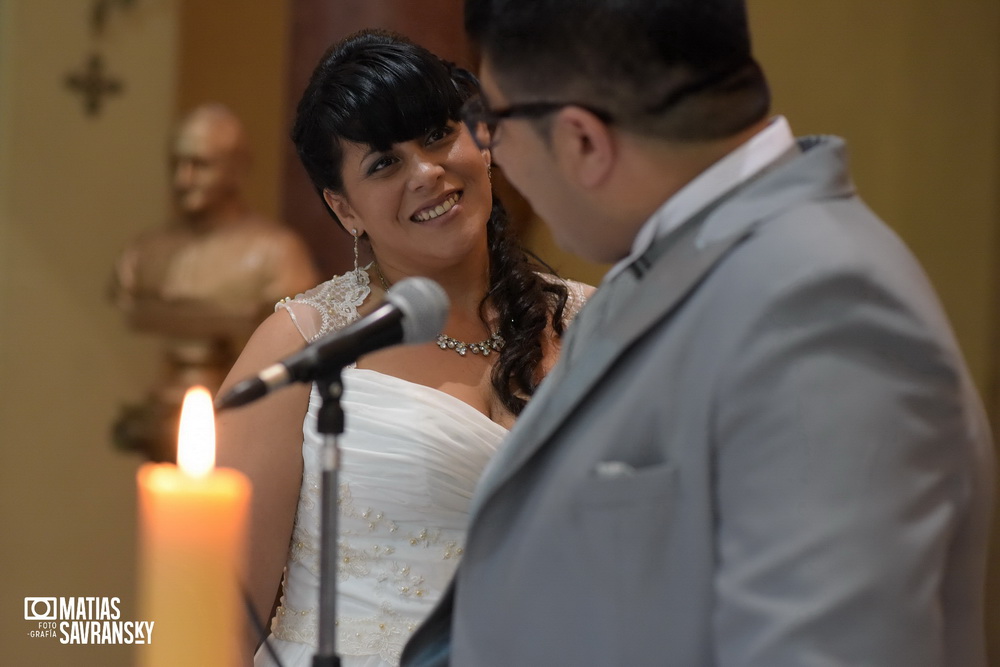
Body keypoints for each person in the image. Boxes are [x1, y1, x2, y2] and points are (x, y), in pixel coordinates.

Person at [401, 1, 995, 666]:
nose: (492, 151)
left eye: (494, 122)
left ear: (582, 141)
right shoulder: (671, 261)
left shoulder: (823, 307)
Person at [215, 30, 590, 667]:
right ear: (344, 208)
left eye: (440, 135)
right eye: (384, 164)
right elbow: (218, 619)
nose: (427, 173)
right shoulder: (306, 344)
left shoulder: (595, 323)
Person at [111, 103, 319, 460]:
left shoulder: (276, 253)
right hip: (166, 400)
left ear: (236, 171)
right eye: (176, 164)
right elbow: (126, 298)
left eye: (200, 165)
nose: (182, 180)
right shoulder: (142, 253)